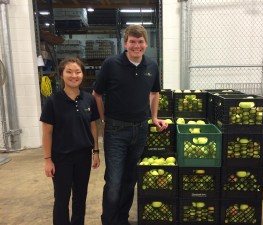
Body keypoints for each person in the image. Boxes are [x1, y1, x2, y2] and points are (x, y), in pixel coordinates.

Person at [92, 24, 168, 225]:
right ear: (125, 43)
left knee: (130, 180)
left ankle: (122, 219)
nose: (136, 46)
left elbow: (155, 92)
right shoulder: (111, 64)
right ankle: (109, 220)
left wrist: (154, 117)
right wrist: (102, 120)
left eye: (140, 41)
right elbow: (97, 94)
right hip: (115, 130)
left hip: (140, 129)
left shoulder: (151, 66)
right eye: (132, 42)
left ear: (146, 43)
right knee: (114, 182)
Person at [40, 57, 100, 225]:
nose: (74, 75)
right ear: (61, 75)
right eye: (69, 72)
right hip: (61, 158)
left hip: (83, 156)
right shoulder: (53, 101)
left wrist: (96, 151)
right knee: (61, 199)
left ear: (83, 74)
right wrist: (47, 160)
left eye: (78, 72)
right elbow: (47, 133)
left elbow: (93, 127)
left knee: (80, 198)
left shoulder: (89, 99)